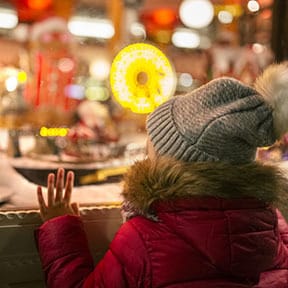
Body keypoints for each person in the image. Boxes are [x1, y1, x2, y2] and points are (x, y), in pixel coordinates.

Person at [35, 62, 288, 288]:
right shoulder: (271, 229)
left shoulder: (145, 239)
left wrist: (61, 229)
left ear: (171, 159)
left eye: (154, 141)